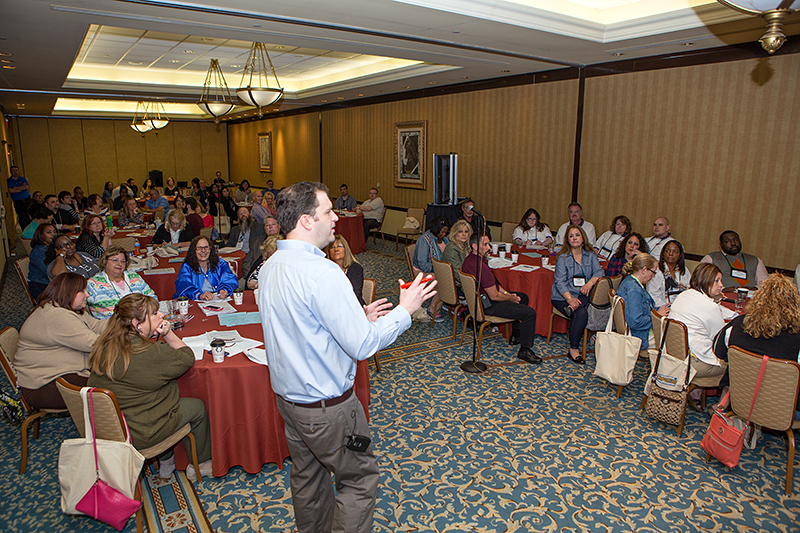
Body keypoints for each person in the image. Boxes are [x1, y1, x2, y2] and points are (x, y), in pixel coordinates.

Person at [258, 181, 436, 533]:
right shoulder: (324, 272)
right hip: (328, 409)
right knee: (359, 481)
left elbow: (301, 328)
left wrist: (355, 319)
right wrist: (405, 311)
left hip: (290, 405)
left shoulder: (271, 266)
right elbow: (363, 346)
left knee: (308, 479)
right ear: (307, 221)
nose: (336, 217)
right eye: (327, 211)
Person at [88, 293, 212, 480]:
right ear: (136, 324)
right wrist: (168, 334)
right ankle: (200, 465)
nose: (161, 315)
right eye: (154, 314)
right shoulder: (148, 353)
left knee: (155, 397)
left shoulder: (105, 345)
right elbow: (186, 358)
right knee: (196, 407)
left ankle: (167, 461)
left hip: (109, 426)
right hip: (141, 431)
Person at [15, 273, 107, 409]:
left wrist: (125, 322)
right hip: (44, 385)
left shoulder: (63, 307)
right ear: (69, 293)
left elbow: (96, 325)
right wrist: (127, 333)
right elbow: (95, 344)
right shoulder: (58, 317)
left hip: (57, 371)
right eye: (82, 291)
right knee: (114, 387)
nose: (87, 295)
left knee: (116, 377)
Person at [713, 273, 800, 411]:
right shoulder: (796, 336)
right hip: (781, 409)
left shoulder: (737, 325)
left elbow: (718, 351)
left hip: (739, 400)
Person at [462, 234, 540, 364]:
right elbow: (494, 295)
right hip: (487, 305)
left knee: (523, 298)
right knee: (529, 313)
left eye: (489, 244)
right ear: (475, 246)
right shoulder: (481, 267)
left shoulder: (469, 261)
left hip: (478, 301)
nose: (489, 247)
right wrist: (510, 299)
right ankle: (525, 350)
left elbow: (495, 285)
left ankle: (516, 336)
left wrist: (508, 294)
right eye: (485, 245)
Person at [668, 263, 734, 409]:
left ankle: (695, 392)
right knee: (738, 365)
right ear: (706, 280)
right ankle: (720, 408)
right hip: (697, 363)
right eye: (717, 281)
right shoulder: (709, 306)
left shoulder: (684, 295)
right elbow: (720, 341)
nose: (721, 285)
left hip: (678, 354)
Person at [551, 224, 603, 364]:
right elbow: (559, 282)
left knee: (582, 305)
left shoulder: (590, 255)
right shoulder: (562, 258)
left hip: (582, 294)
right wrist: (569, 299)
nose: (574, 238)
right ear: (567, 240)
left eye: (577, 235)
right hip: (562, 296)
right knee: (581, 313)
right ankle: (574, 349)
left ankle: (574, 308)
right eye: (571, 236)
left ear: (583, 238)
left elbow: (599, 272)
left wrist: (589, 283)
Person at [616, 253, 670, 350]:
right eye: (653, 272)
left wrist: (658, 310)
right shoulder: (634, 290)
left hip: (636, 332)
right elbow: (635, 322)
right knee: (674, 341)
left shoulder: (629, 282)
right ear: (644, 270)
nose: (653, 276)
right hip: (640, 336)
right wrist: (656, 316)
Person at [87, 246, 156, 319]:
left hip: (142, 319)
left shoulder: (134, 277)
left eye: (123, 261)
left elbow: (152, 298)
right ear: (105, 261)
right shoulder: (93, 284)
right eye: (115, 260)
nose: (119, 264)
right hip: (113, 324)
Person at [174, 236, 238, 300]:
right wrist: (199, 295)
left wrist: (224, 290)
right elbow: (183, 286)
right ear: (193, 250)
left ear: (211, 249)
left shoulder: (221, 264)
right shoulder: (187, 267)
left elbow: (229, 280)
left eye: (206, 247)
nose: (203, 251)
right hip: (195, 301)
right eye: (199, 248)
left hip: (218, 300)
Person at [700, 230, 767, 289]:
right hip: (721, 296)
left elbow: (765, 284)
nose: (733, 243)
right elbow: (701, 280)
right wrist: (722, 289)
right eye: (727, 241)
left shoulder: (755, 260)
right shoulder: (711, 258)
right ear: (721, 245)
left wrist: (754, 288)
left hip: (750, 296)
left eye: (736, 240)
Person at [647, 240, 691, 307]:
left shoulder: (684, 270)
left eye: (675, 252)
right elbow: (652, 294)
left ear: (680, 255)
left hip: (682, 307)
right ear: (663, 253)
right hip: (661, 308)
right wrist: (668, 308)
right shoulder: (656, 270)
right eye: (667, 251)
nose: (671, 253)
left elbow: (689, 290)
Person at [325, 235, 365, 305]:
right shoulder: (325, 268)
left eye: (339, 246)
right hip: (329, 305)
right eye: (332, 247)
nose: (336, 249)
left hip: (352, 306)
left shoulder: (355, 268)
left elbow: (355, 294)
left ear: (345, 249)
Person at [27, 223, 57, 300]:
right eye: (48, 232)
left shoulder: (51, 247)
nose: (53, 234)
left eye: (54, 232)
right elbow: (49, 273)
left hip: (50, 282)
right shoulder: (38, 252)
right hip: (40, 285)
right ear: (41, 236)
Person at [441, 219, 472, 289]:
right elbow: (458, 274)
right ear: (455, 233)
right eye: (460, 231)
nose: (464, 234)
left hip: (465, 279)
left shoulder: (467, 246)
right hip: (455, 285)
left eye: (466, 232)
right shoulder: (452, 248)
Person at [7, 165, 32, 229]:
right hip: (18, 202)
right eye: (13, 170)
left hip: (27, 200)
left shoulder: (22, 179)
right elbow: (10, 191)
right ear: (11, 172)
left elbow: (26, 187)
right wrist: (21, 188)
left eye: (16, 170)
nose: (15, 172)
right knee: (22, 217)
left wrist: (15, 188)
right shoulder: (9, 181)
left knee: (30, 215)